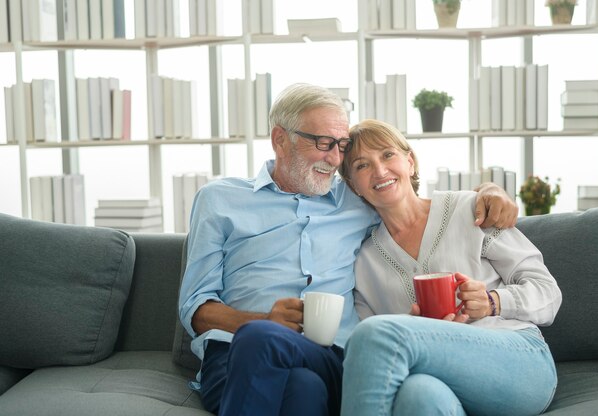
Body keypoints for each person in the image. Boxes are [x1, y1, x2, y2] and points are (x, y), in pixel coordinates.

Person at [178, 84, 518, 416]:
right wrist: (263, 320)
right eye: (324, 143)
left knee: (296, 370)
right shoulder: (219, 200)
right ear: (280, 139)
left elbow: (413, 200)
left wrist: (488, 193)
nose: (335, 158)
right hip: (239, 352)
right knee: (297, 382)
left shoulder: (357, 197)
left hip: (333, 354)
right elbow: (195, 307)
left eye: (341, 145)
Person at [337, 119, 562, 416]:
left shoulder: (472, 210)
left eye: (387, 155)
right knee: (417, 396)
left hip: (517, 360)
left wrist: (493, 303)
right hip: (437, 380)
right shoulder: (364, 262)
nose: (379, 171)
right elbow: (371, 357)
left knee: (374, 334)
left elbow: (548, 292)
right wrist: (416, 330)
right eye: (362, 166)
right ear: (354, 185)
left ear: (410, 162)